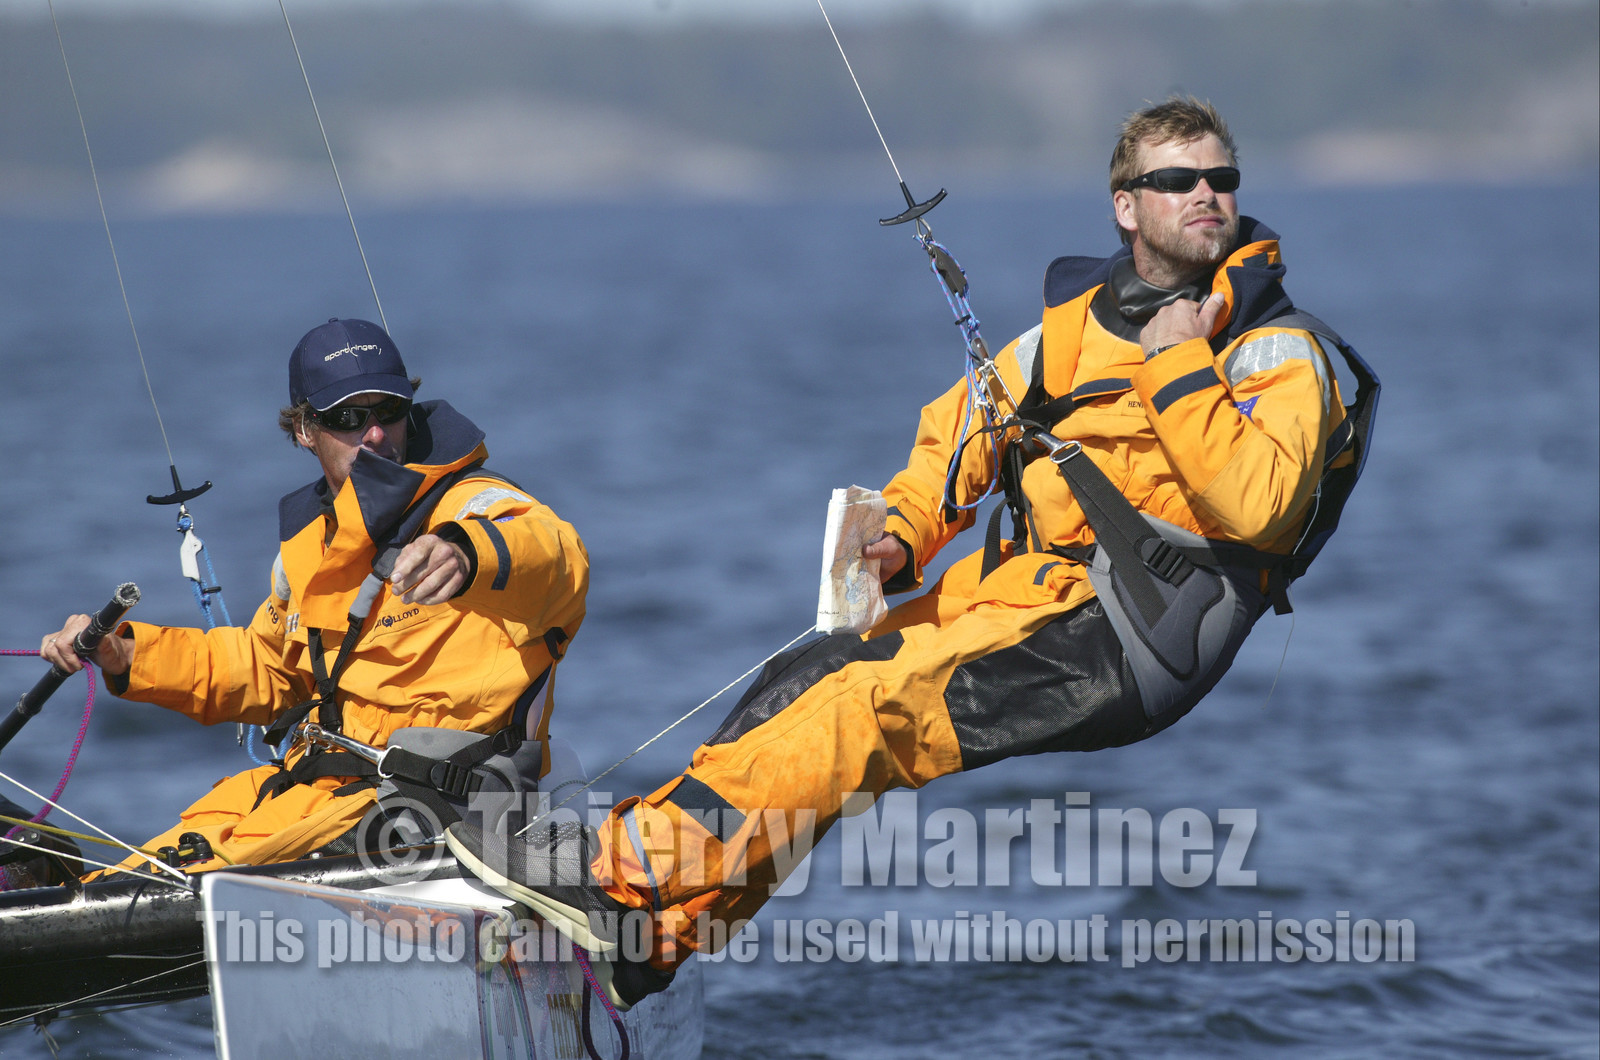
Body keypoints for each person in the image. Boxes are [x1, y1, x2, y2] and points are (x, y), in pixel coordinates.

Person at [446, 98, 1376, 1008]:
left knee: (866, 711)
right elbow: (958, 440)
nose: (1205, 194)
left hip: (1140, 629)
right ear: (1126, 208)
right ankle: (655, 938)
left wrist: (1177, 361)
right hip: (1024, 596)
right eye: (1176, 180)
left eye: (1221, 177)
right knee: (807, 679)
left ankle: (615, 874)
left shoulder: (1279, 350)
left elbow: (1258, 508)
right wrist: (901, 532)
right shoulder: (1067, 335)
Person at [41, 317, 589, 873]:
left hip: (433, 814)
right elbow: (272, 668)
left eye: (389, 411)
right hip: (316, 795)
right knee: (109, 878)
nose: (374, 434)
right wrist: (127, 654)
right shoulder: (312, 546)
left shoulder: (472, 506)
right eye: (348, 418)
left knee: (171, 887)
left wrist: (469, 553)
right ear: (305, 429)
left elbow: (556, 557)